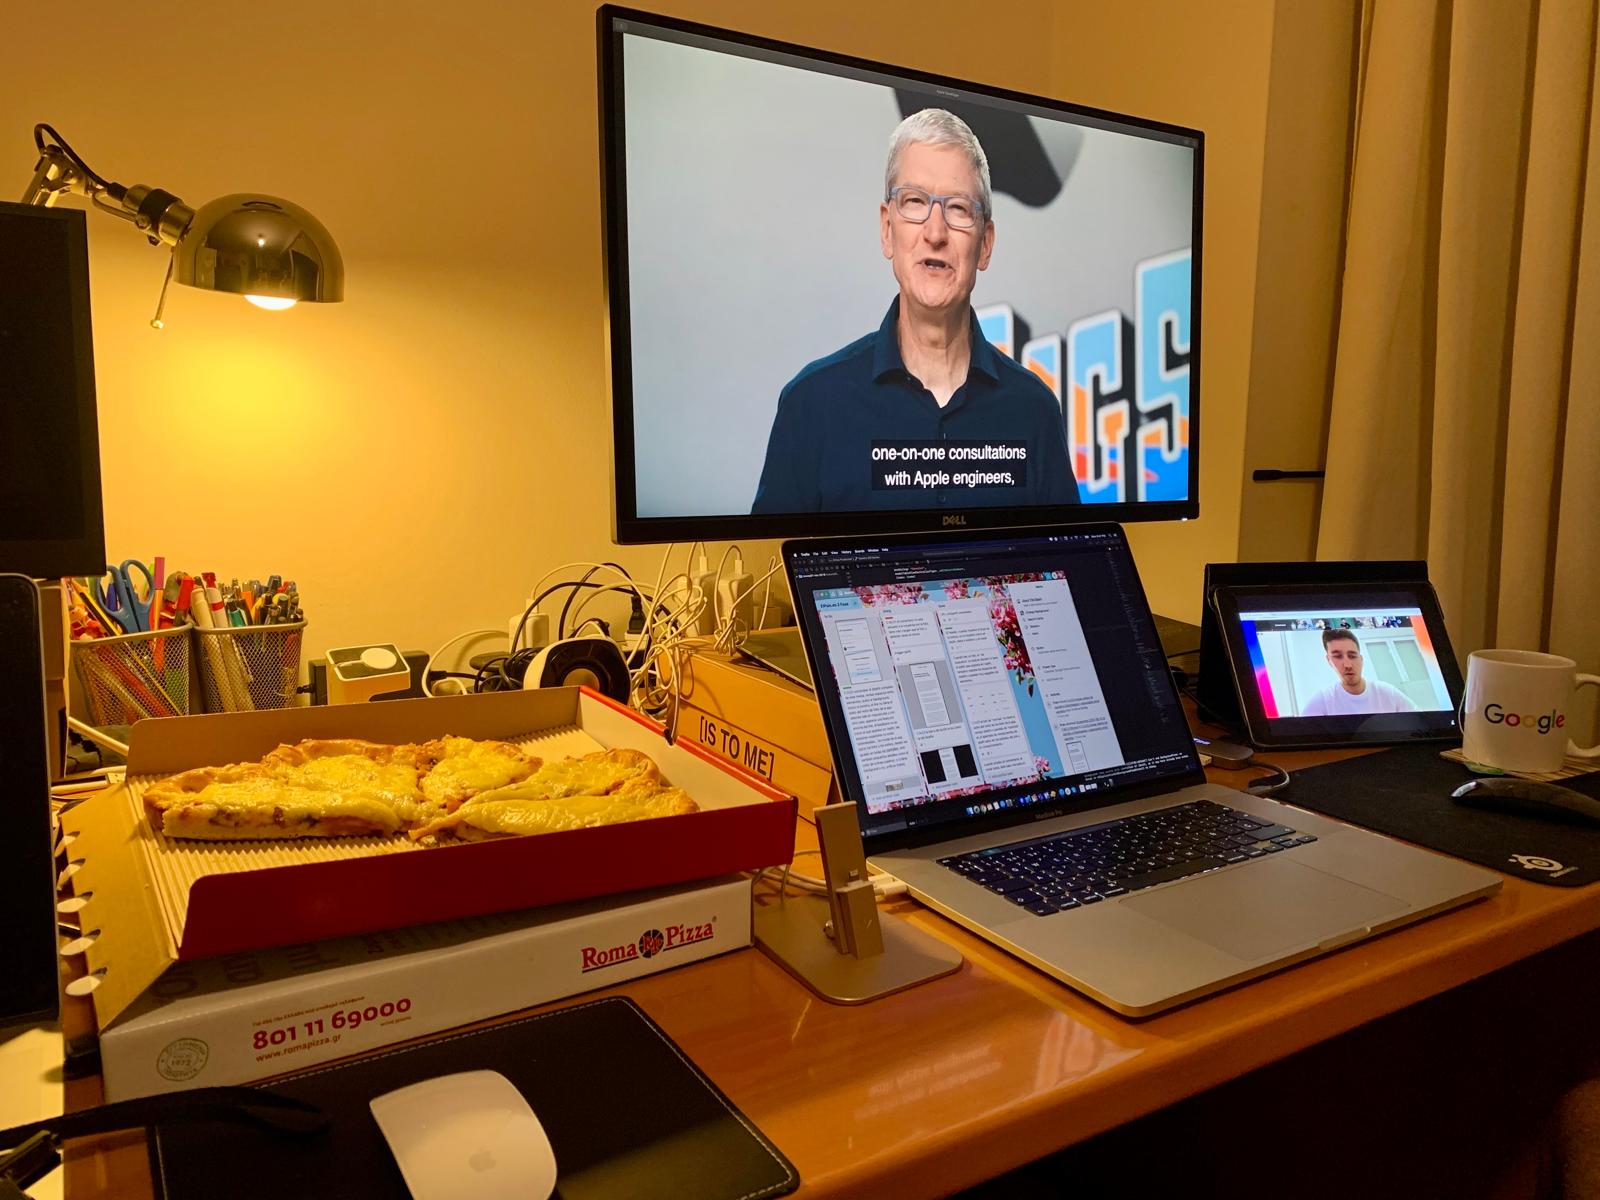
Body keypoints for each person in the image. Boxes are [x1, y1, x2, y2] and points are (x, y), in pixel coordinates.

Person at [752, 108, 1079, 513]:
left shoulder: (1035, 411)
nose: (935, 233)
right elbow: (770, 573)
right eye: (915, 202)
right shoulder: (811, 404)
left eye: (958, 209)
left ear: (986, 244)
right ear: (887, 229)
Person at [1299, 629, 1418, 716]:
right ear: (1329, 661)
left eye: (1352, 656)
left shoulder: (1387, 693)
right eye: (1338, 656)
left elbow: (1421, 722)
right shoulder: (1323, 701)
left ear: (1361, 659)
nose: (1348, 665)